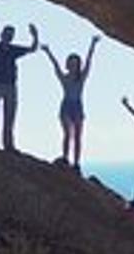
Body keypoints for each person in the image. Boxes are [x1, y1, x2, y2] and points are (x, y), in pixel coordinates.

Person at [0, 17, 39, 152]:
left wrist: (35, 36)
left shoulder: (13, 50)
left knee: (10, 114)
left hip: (10, 85)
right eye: (7, 34)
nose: (9, 36)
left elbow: (33, 49)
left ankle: (8, 144)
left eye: (11, 35)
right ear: (2, 35)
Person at [43, 35, 101, 172]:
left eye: (75, 63)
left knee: (78, 137)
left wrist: (92, 45)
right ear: (68, 64)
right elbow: (55, 65)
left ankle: (76, 163)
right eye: (71, 63)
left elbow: (89, 61)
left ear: (77, 65)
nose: (73, 65)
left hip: (78, 106)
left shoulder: (81, 78)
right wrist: (48, 52)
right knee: (67, 134)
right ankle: (65, 158)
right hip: (66, 106)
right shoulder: (64, 77)